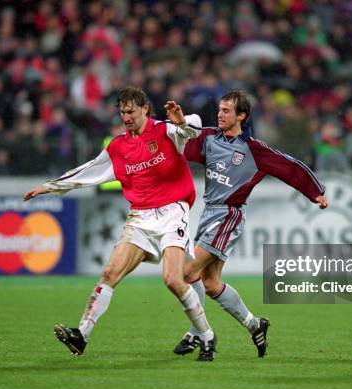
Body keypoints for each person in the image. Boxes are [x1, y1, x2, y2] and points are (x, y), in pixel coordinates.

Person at [23, 87, 218, 361]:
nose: (126, 117)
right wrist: (49, 187)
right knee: (110, 272)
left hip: (173, 212)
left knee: (173, 279)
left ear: (145, 109)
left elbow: (194, 129)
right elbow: (88, 171)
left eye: (131, 111)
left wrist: (182, 121)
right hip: (140, 217)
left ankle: (207, 336)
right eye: (122, 112)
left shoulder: (166, 130)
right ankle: (81, 335)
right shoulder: (118, 147)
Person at [172, 90, 328, 357]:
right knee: (210, 283)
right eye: (219, 110)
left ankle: (198, 333)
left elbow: (289, 167)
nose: (220, 114)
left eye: (226, 111)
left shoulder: (254, 150)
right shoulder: (209, 138)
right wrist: (179, 125)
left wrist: (314, 191)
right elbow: (179, 145)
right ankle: (255, 325)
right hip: (208, 213)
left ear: (241, 116)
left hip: (228, 216)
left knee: (186, 273)